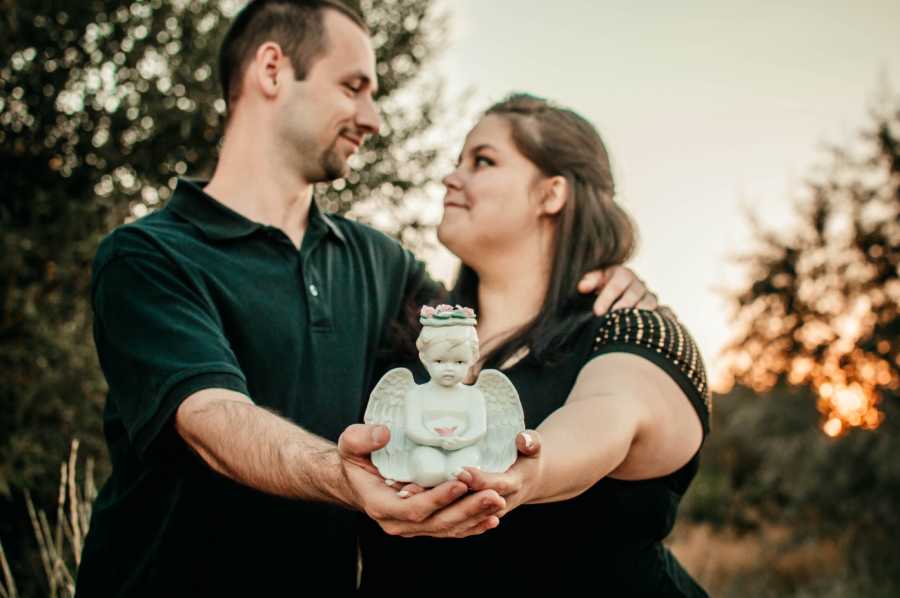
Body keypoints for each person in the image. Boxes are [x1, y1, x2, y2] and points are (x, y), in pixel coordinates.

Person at [74, 2, 659, 595]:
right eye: (354, 87)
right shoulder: (148, 256)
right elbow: (211, 421)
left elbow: (501, 334)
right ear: (272, 70)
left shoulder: (382, 263)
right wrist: (342, 475)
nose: (373, 118)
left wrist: (602, 283)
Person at [357, 94, 711, 596]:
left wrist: (526, 470)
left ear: (551, 194)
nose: (451, 178)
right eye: (457, 162)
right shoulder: (406, 336)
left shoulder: (629, 329)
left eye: (482, 161)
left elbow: (609, 415)